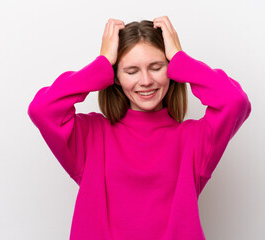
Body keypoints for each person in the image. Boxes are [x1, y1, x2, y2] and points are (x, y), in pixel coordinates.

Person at [27, 16, 251, 240]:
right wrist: (102, 63)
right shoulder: (91, 136)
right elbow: (42, 109)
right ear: (115, 78)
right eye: (131, 71)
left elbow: (234, 102)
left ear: (171, 71)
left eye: (156, 67)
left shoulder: (194, 140)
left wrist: (180, 59)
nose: (145, 81)